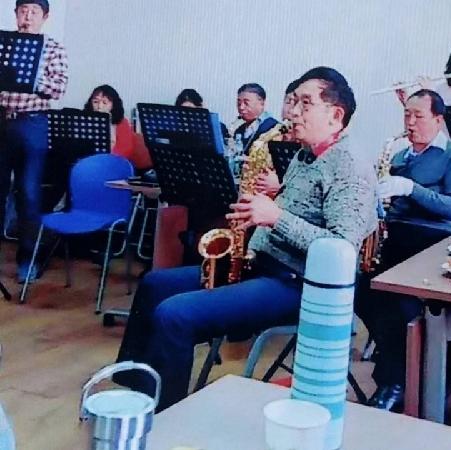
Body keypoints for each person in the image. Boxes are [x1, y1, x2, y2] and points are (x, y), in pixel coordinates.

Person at [113, 67, 377, 411]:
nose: (293, 112)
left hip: (298, 284)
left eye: (305, 103)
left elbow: (342, 249)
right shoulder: (305, 154)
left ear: (335, 115)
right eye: (294, 101)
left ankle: (164, 418)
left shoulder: (351, 167)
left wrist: (276, 217)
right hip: (262, 266)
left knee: (174, 315)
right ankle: (135, 395)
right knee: (154, 284)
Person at [356, 89, 451, 411]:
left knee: (397, 301)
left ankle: (395, 381)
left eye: (418, 116)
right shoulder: (399, 157)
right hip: (397, 237)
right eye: (407, 115)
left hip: (434, 241)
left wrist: (411, 188)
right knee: (360, 289)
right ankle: (399, 363)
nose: (410, 122)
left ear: (438, 119)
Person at [0, 0, 68, 282]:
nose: (27, 16)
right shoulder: (3, 44)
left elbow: (59, 87)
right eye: (22, 11)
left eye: (34, 12)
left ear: (45, 16)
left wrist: (27, 77)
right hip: (2, 119)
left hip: (33, 123)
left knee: (28, 193)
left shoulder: (53, 48)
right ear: (16, 14)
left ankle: (28, 260)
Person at [83, 85, 135, 162]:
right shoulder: (84, 120)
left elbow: (126, 150)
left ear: (113, 105)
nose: (99, 106)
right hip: (88, 161)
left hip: (114, 162)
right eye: (95, 102)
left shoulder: (122, 122)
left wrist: (110, 126)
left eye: (105, 102)